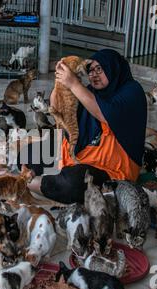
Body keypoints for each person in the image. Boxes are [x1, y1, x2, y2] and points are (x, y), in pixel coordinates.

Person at [28, 49, 147, 204]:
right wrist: (59, 83)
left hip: (112, 169)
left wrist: (73, 84)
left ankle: (32, 183)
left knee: (74, 183)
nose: (94, 75)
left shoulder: (132, 91)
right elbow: (57, 109)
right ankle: (53, 179)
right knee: (28, 154)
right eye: (90, 70)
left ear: (113, 68)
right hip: (80, 153)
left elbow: (104, 113)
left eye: (99, 69)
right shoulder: (89, 91)